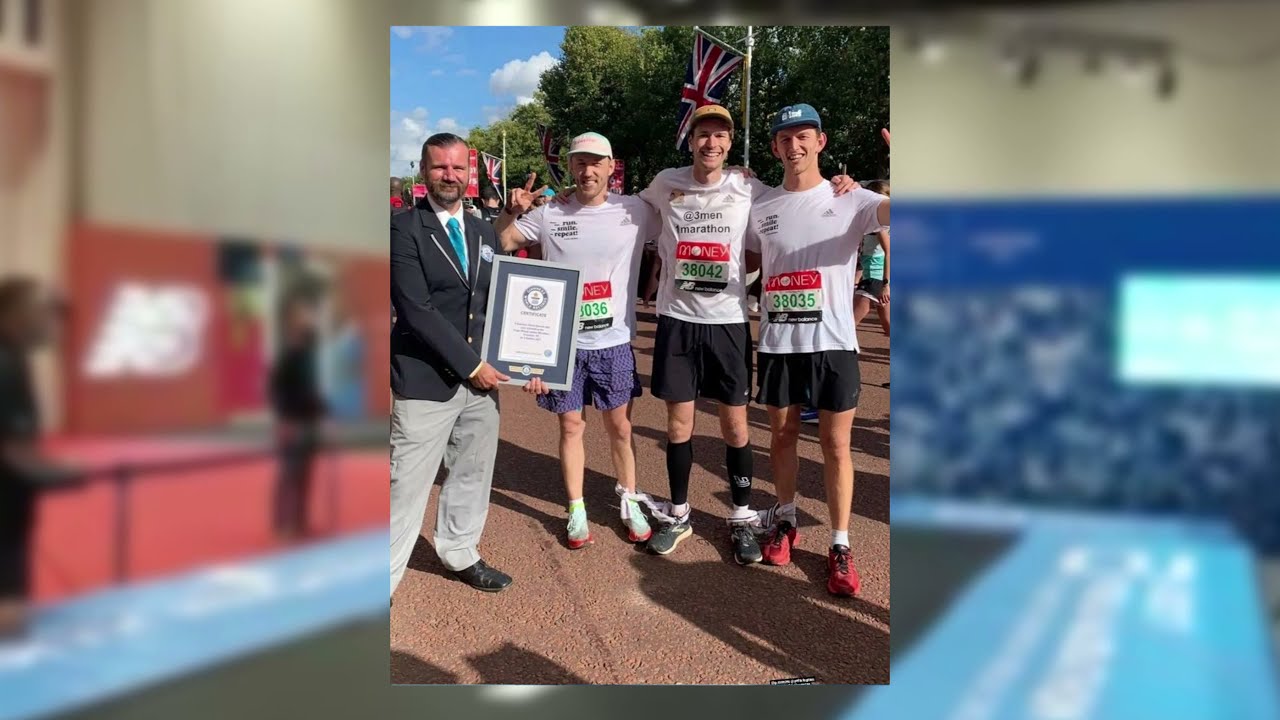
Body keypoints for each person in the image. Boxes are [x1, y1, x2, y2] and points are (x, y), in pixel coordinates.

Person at [630, 104, 858, 563]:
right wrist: (569, 200)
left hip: (729, 322)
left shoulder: (749, 187)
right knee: (678, 424)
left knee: (735, 426)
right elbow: (624, 206)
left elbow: (760, 246)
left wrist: (844, 185)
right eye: (702, 136)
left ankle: (740, 517)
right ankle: (678, 515)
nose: (710, 143)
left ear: (731, 143)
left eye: (719, 136)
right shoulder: (664, 183)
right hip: (678, 320)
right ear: (689, 140)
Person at [747, 104, 890, 597]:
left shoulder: (850, 197)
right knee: (782, 438)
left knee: (835, 446)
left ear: (821, 142)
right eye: (785, 139)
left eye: (804, 136)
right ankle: (786, 520)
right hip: (778, 342)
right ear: (775, 148)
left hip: (833, 342)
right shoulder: (761, 205)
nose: (795, 146)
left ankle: (840, 544)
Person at [494, 132, 658, 550]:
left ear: (610, 166)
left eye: (595, 162)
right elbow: (504, 241)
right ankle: (577, 507)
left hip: (614, 340)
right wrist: (511, 211)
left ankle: (629, 499)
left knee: (620, 426)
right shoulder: (551, 214)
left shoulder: (636, 209)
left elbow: (688, 202)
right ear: (571, 167)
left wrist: (736, 176)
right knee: (571, 426)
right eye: (579, 163)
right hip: (560, 346)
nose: (587, 170)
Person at [391, 132, 532, 598]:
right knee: (405, 485)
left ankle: (460, 552)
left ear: (470, 174)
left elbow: (500, 298)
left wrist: (533, 360)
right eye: (439, 167)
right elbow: (416, 308)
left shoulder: (481, 230)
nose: (449, 176)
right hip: (426, 380)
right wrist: (473, 365)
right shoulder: (403, 227)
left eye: (457, 168)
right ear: (423, 171)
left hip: (480, 386)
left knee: (472, 473)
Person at [0, 277, 77, 637]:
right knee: (10, 622)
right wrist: (66, 474)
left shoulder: (15, 358)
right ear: (12, 316)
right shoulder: (5, 365)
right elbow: (13, 450)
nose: (53, 321)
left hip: (12, 513)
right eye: (43, 311)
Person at [269, 294, 327, 541]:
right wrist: (285, 420)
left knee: (306, 474)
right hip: (293, 421)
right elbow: (277, 389)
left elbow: (316, 389)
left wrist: (322, 416)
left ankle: (300, 521)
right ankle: (282, 523)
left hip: (310, 420)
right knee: (288, 474)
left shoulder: (312, 354)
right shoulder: (289, 354)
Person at [855, 180, 891, 388]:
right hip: (871, 278)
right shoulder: (874, 223)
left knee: (848, 326)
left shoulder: (880, 225)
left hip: (876, 280)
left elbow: (889, 252)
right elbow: (866, 258)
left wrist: (885, 283)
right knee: (889, 329)